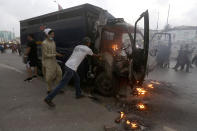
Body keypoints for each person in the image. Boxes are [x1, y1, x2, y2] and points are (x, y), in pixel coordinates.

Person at [44, 37, 98, 107]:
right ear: (88, 43)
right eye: (89, 42)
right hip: (71, 68)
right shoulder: (88, 49)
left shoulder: (77, 46)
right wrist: (101, 55)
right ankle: (48, 98)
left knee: (77, 79)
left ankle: (78, 94)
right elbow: (94, 55)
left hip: (68, 65)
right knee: (62, 84)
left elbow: (79, 54)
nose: (90, 43)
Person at [42, 28, 64, 94]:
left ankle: (57, 88)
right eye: (51, 34)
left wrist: (58, 54)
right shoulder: (44, 43)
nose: (53, 36)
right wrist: (55, 54)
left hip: (54, 60)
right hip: (47, 62)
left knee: (59, 73)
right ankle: (49, 89)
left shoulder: (53, 42)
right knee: (49, 77)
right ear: (47, 35)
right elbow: (45, 55)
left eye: (53, 34)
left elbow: (54, 51)